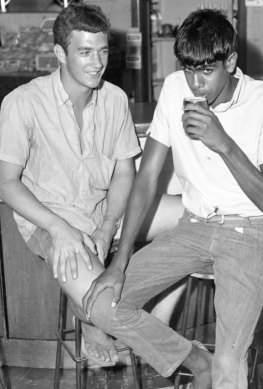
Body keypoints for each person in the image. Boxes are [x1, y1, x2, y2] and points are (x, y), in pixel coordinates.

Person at [82, 9, 263, 388]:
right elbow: (146, 178)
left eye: (206, 71)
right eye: (189, 69)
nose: (196, 82)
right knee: (100, 305)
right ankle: (194, 360)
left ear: (231, 62)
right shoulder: (176, 87)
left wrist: (222, 142)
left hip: (248, 233)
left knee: (230, 363)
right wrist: (119, 261)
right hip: (193, 226)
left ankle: (216, 368)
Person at [0, 3, 140, 366]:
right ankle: (94, 316)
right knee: (108, 307)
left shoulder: (115, 99)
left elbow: (126, 172)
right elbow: (6, 184)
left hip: (104, 214)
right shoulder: (22, 103)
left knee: (194, 217)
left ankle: (134, 321)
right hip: (51, 218)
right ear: (60, 53)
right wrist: (58, 228)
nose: (97, 63)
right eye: (84, 52)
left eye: (103, 50)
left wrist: (109, 226)